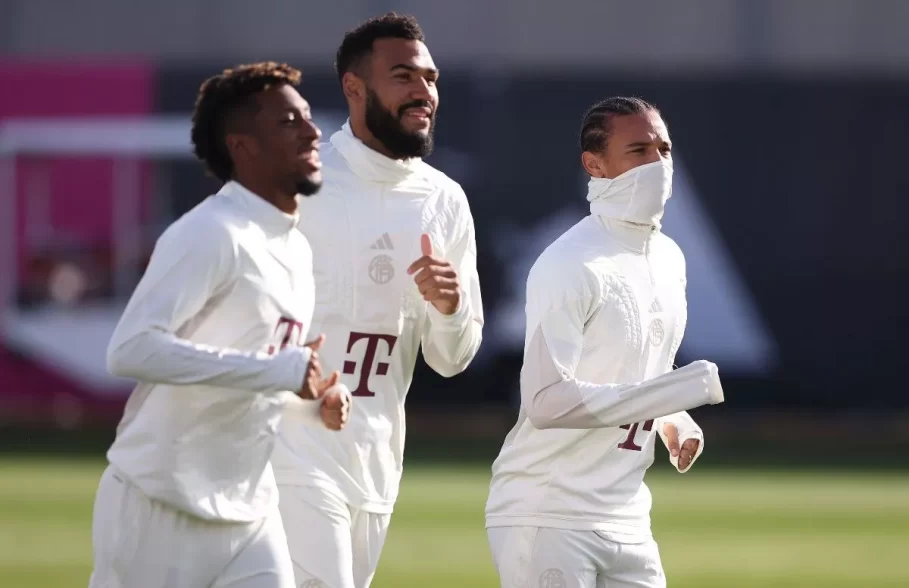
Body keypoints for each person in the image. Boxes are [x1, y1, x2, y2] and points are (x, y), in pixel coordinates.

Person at [88, 62, 350, 588]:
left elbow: (261, 375)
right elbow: (131, 350)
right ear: (243, 146)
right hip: (160, 507)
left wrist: (309, 403)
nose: (313, 129)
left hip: (251, 514)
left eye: (306, 116)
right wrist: (278, 372)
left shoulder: (295, 245)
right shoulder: (211, 232)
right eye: (288, 121)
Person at [270, 13, 484, 588]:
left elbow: (452, 358)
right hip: (290, 447)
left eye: (431, 79)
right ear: (354, 88)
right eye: (403, 76)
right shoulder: (295, 182)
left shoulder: (445, 201)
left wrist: (451, 308)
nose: (424, 92)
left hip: (377, 459)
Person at [485, 96, 726, 588]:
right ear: (594, 164)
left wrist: (671, 417)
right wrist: (676, 393)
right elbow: (546, 402)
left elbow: (632, 373)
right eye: (638, 150)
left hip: (629, 513)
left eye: (664, 149)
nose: (657, 164)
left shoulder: (668, 257)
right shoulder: (569, 261)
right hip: (547, 511)